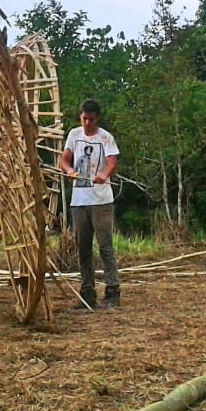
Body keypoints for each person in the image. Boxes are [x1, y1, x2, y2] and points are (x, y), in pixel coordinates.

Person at [59, 98, 121, 310]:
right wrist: (69, 171)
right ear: (80, 117)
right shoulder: (74, 135)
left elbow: (112, 162)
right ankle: (87, 294)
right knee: (83, 248)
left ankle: (113, 292)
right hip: (79, 201)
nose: (87, 123)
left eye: (91, 120)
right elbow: (64, 159)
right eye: (84, 119)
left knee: (105, 247)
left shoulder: (106, 138)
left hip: (101, 201)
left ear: (97, 119)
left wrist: (103, 175)